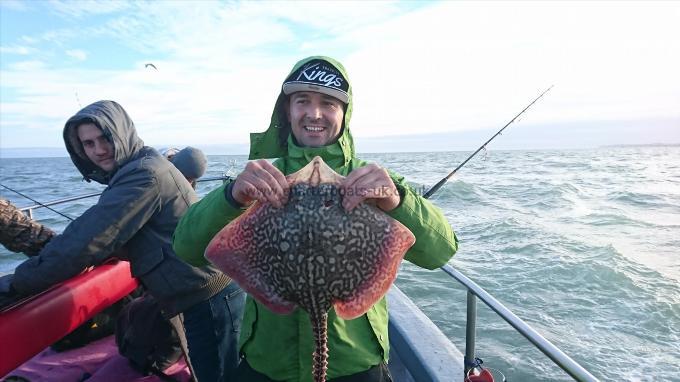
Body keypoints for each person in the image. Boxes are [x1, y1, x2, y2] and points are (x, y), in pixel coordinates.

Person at [172, 56, 459, 381]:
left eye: (328, 103)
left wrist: (398, 201)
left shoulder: (373, 181)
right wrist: (230, 197)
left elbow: (441, 252)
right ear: (287, 110)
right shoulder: (259, 180)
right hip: (269, 360)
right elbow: (185, 247)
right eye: (302, 101)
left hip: (355, 363)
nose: (314, 113)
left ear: (345, 113)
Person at [0, 100, 243, 382]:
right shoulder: (143, 167)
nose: (99, 150)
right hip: (201, 295)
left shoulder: (144, 175)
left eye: (105, 138)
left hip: (209, 299)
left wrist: (16, 283)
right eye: (88, 144)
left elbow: (83, 243)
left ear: (122, 133)